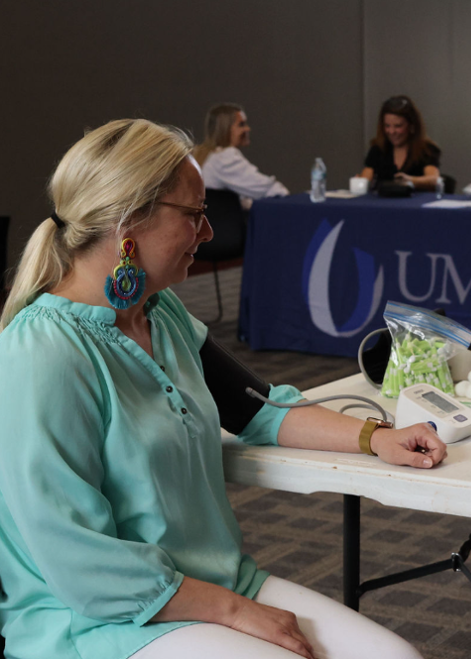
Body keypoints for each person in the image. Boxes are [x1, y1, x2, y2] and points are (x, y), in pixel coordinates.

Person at [0, 118, 448, 659]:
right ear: (128, 222)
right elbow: (76, 558)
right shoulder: (42, 350)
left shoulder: (159, 315)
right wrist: (235, 612)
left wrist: (376, 437)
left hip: (211, 583)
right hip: (99, 619)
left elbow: (259, 408)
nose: (209, 233)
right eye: (195, 215)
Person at [193, 103, 289, 208]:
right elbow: (266, 189)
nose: (248, 129)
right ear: (225, 128)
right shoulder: (225, 157)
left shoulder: (202, 154)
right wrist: (285, 197)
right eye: (241, 124)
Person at [359, 95, 441, 191]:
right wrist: (359, 182)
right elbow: (365, 179)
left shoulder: (426, 149)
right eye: (387, 126)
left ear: (411, 126)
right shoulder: (378, 149)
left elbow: (434, 180)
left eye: (398, 126)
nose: (392, 131)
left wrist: (410, 180)